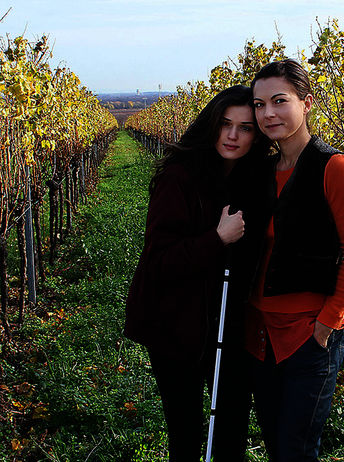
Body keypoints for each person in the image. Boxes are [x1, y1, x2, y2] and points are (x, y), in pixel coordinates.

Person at [124, 85, 270, 461]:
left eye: (246, 127)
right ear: (211, 124)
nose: (234, 135)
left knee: (232, 426)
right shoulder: (180, 177)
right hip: (175, 326)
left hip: (230, 320)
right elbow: (159, 262)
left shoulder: (255, 179)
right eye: (225, 124)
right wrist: (217, 239)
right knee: (186, 431)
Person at [245, 59, 344, 462]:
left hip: (306, 335)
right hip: (259, 333)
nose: (268, 113)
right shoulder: (263, 170)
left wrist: (327, 322)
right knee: (274, 444)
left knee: (296, 451)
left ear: (307, 102)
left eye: (280, 101)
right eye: (260, 104)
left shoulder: (334, 168)